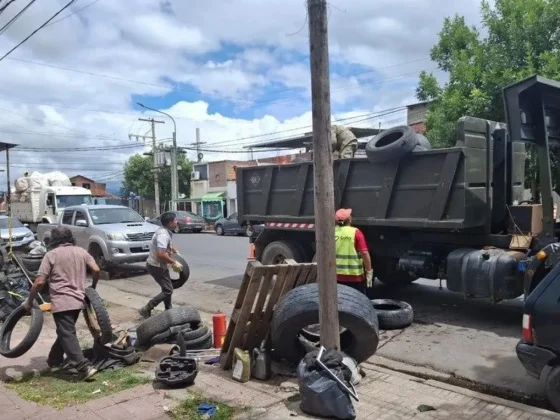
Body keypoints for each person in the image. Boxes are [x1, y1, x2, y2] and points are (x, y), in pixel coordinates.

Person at [24, 226, 100, 380]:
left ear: (53, 240)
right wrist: (93, 287)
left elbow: (39, 281)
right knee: (65, 331)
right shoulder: (81, 251)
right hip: (78, 300)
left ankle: (83, 367)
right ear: (70, 237)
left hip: (62, 301)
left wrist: (29, 301)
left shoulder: (51, 255)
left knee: (67, 333)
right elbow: (96, 269)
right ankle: (54, 360)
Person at [138, 212, 183, 318]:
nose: (177, 222)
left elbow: (166, 246)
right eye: (175, 220)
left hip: (159, 265)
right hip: (156, 266)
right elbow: (160, 254)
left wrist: (173, 250)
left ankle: (168, 309)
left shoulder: (165, 231)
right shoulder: (163, 235)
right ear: (170, 222)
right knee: (168, 290)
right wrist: (173, 262)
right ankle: (147, 308)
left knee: (167, 288)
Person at [334, 208, 373, 294]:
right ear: (349, 219)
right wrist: (369, 272)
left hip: (337, 276)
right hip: (355, 277)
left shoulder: (331, 232)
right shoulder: (356, 232)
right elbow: (364, 253)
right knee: (356, 302)